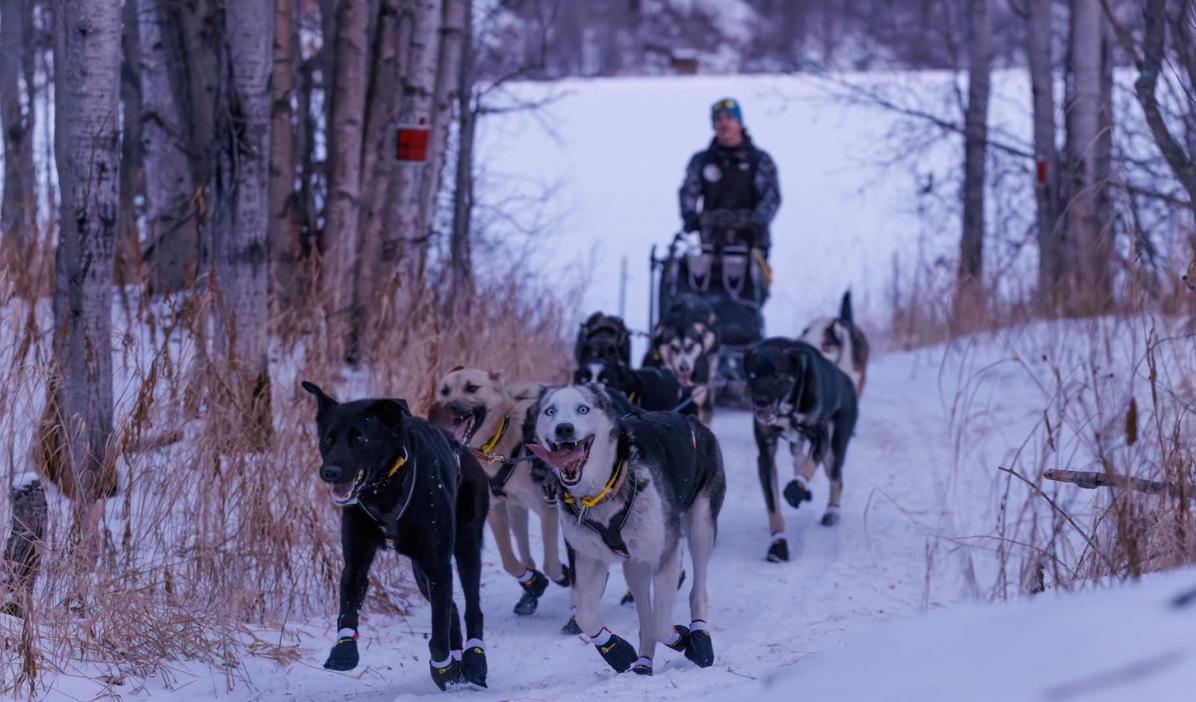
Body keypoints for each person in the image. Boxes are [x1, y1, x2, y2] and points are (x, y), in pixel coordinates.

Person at [678, 97, 781, 256]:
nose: (724, 123)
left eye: (729, 118)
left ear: (739, 123)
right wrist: (690, 216)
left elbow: (771, 197)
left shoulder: (758, 160)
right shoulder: (702, 161)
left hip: (752, 243)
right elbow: (688, 192)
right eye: (718, 119)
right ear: (713, 125)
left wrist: (756, 223)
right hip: (712, 242)